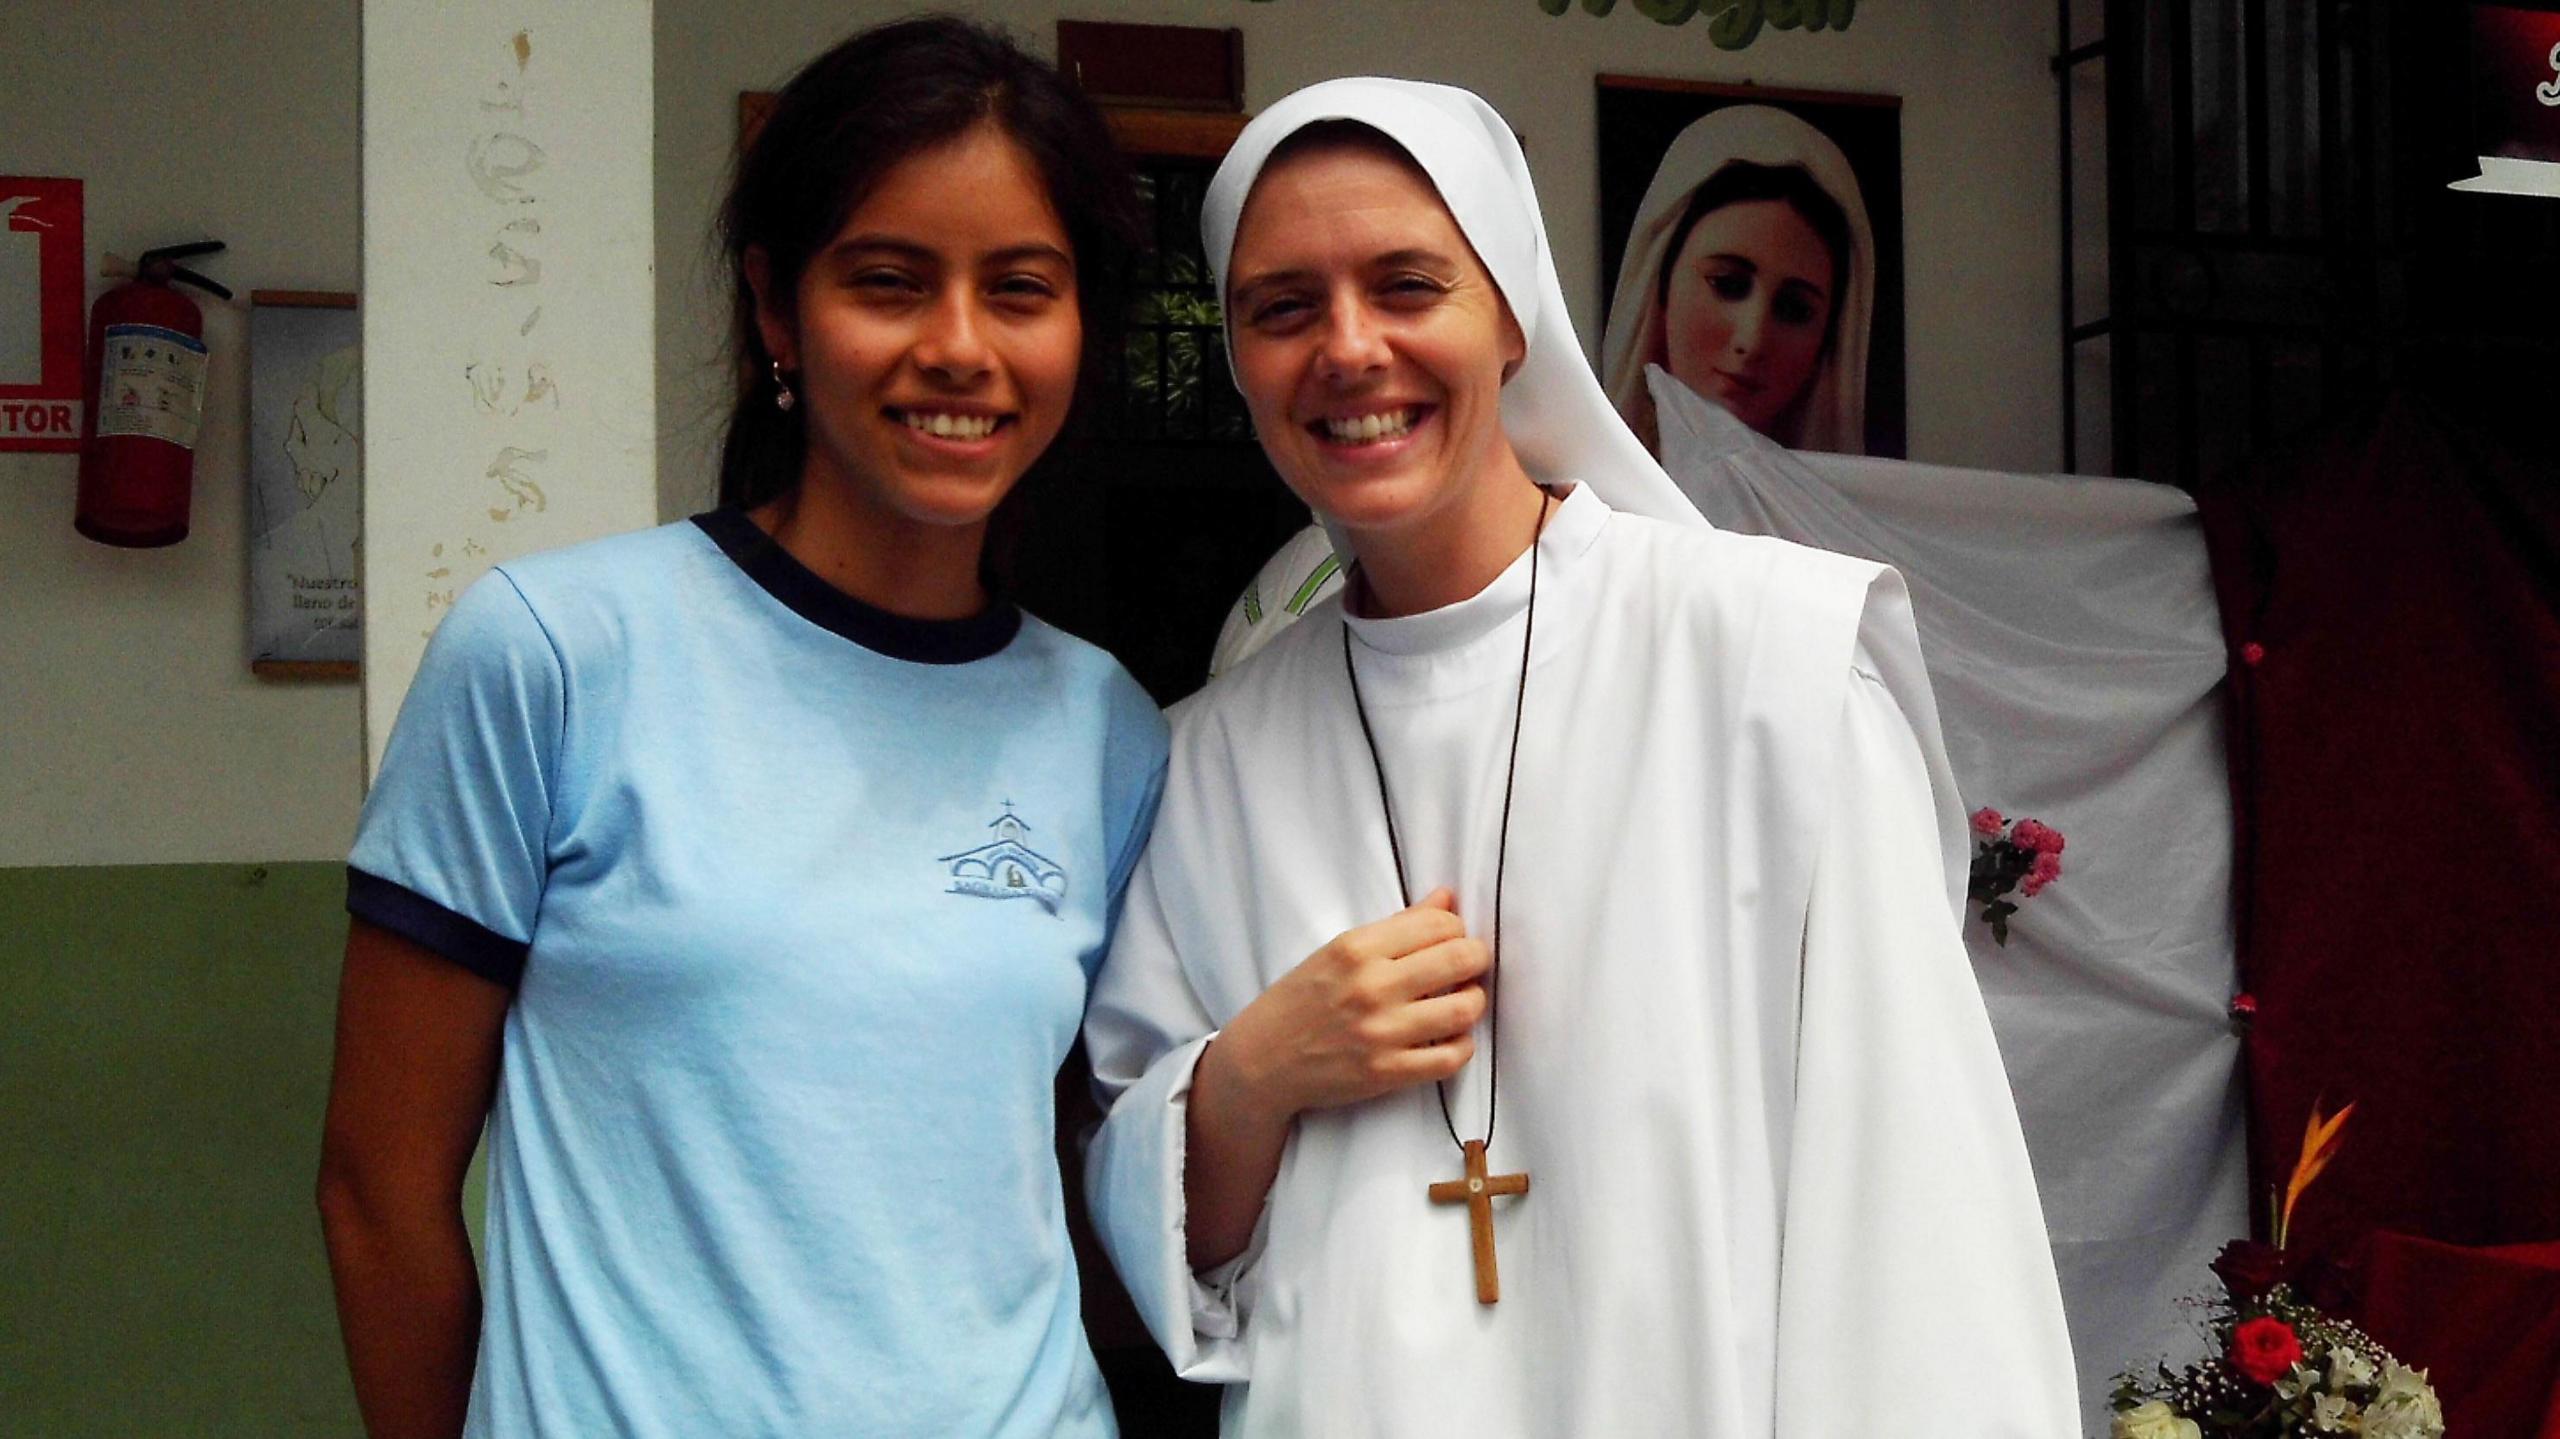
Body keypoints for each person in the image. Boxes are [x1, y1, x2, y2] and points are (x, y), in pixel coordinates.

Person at [1081, 77, 2075, 1436]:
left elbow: (1914, 1213)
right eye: (1283, 306)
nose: (1349, 348)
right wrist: (1250, 1074)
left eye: (1408, 283)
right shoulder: (1208, 762)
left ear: (1511, 313)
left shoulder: (1771, 663)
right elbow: (1171, 1250)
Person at [314, 19, 1165, 1437]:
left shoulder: (1108, 730)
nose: (959, 347)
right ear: (778, 311)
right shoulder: (558, 655)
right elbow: (377, 1192)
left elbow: (1074, 1184)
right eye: (889, 282)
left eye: (1021, 289)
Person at [1600, 103, 1875, 458]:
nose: (1753, 340)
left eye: (1794, 309)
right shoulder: (1574, 491)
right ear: (1663, 286)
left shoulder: (1831, 513)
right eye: (1727, 285)